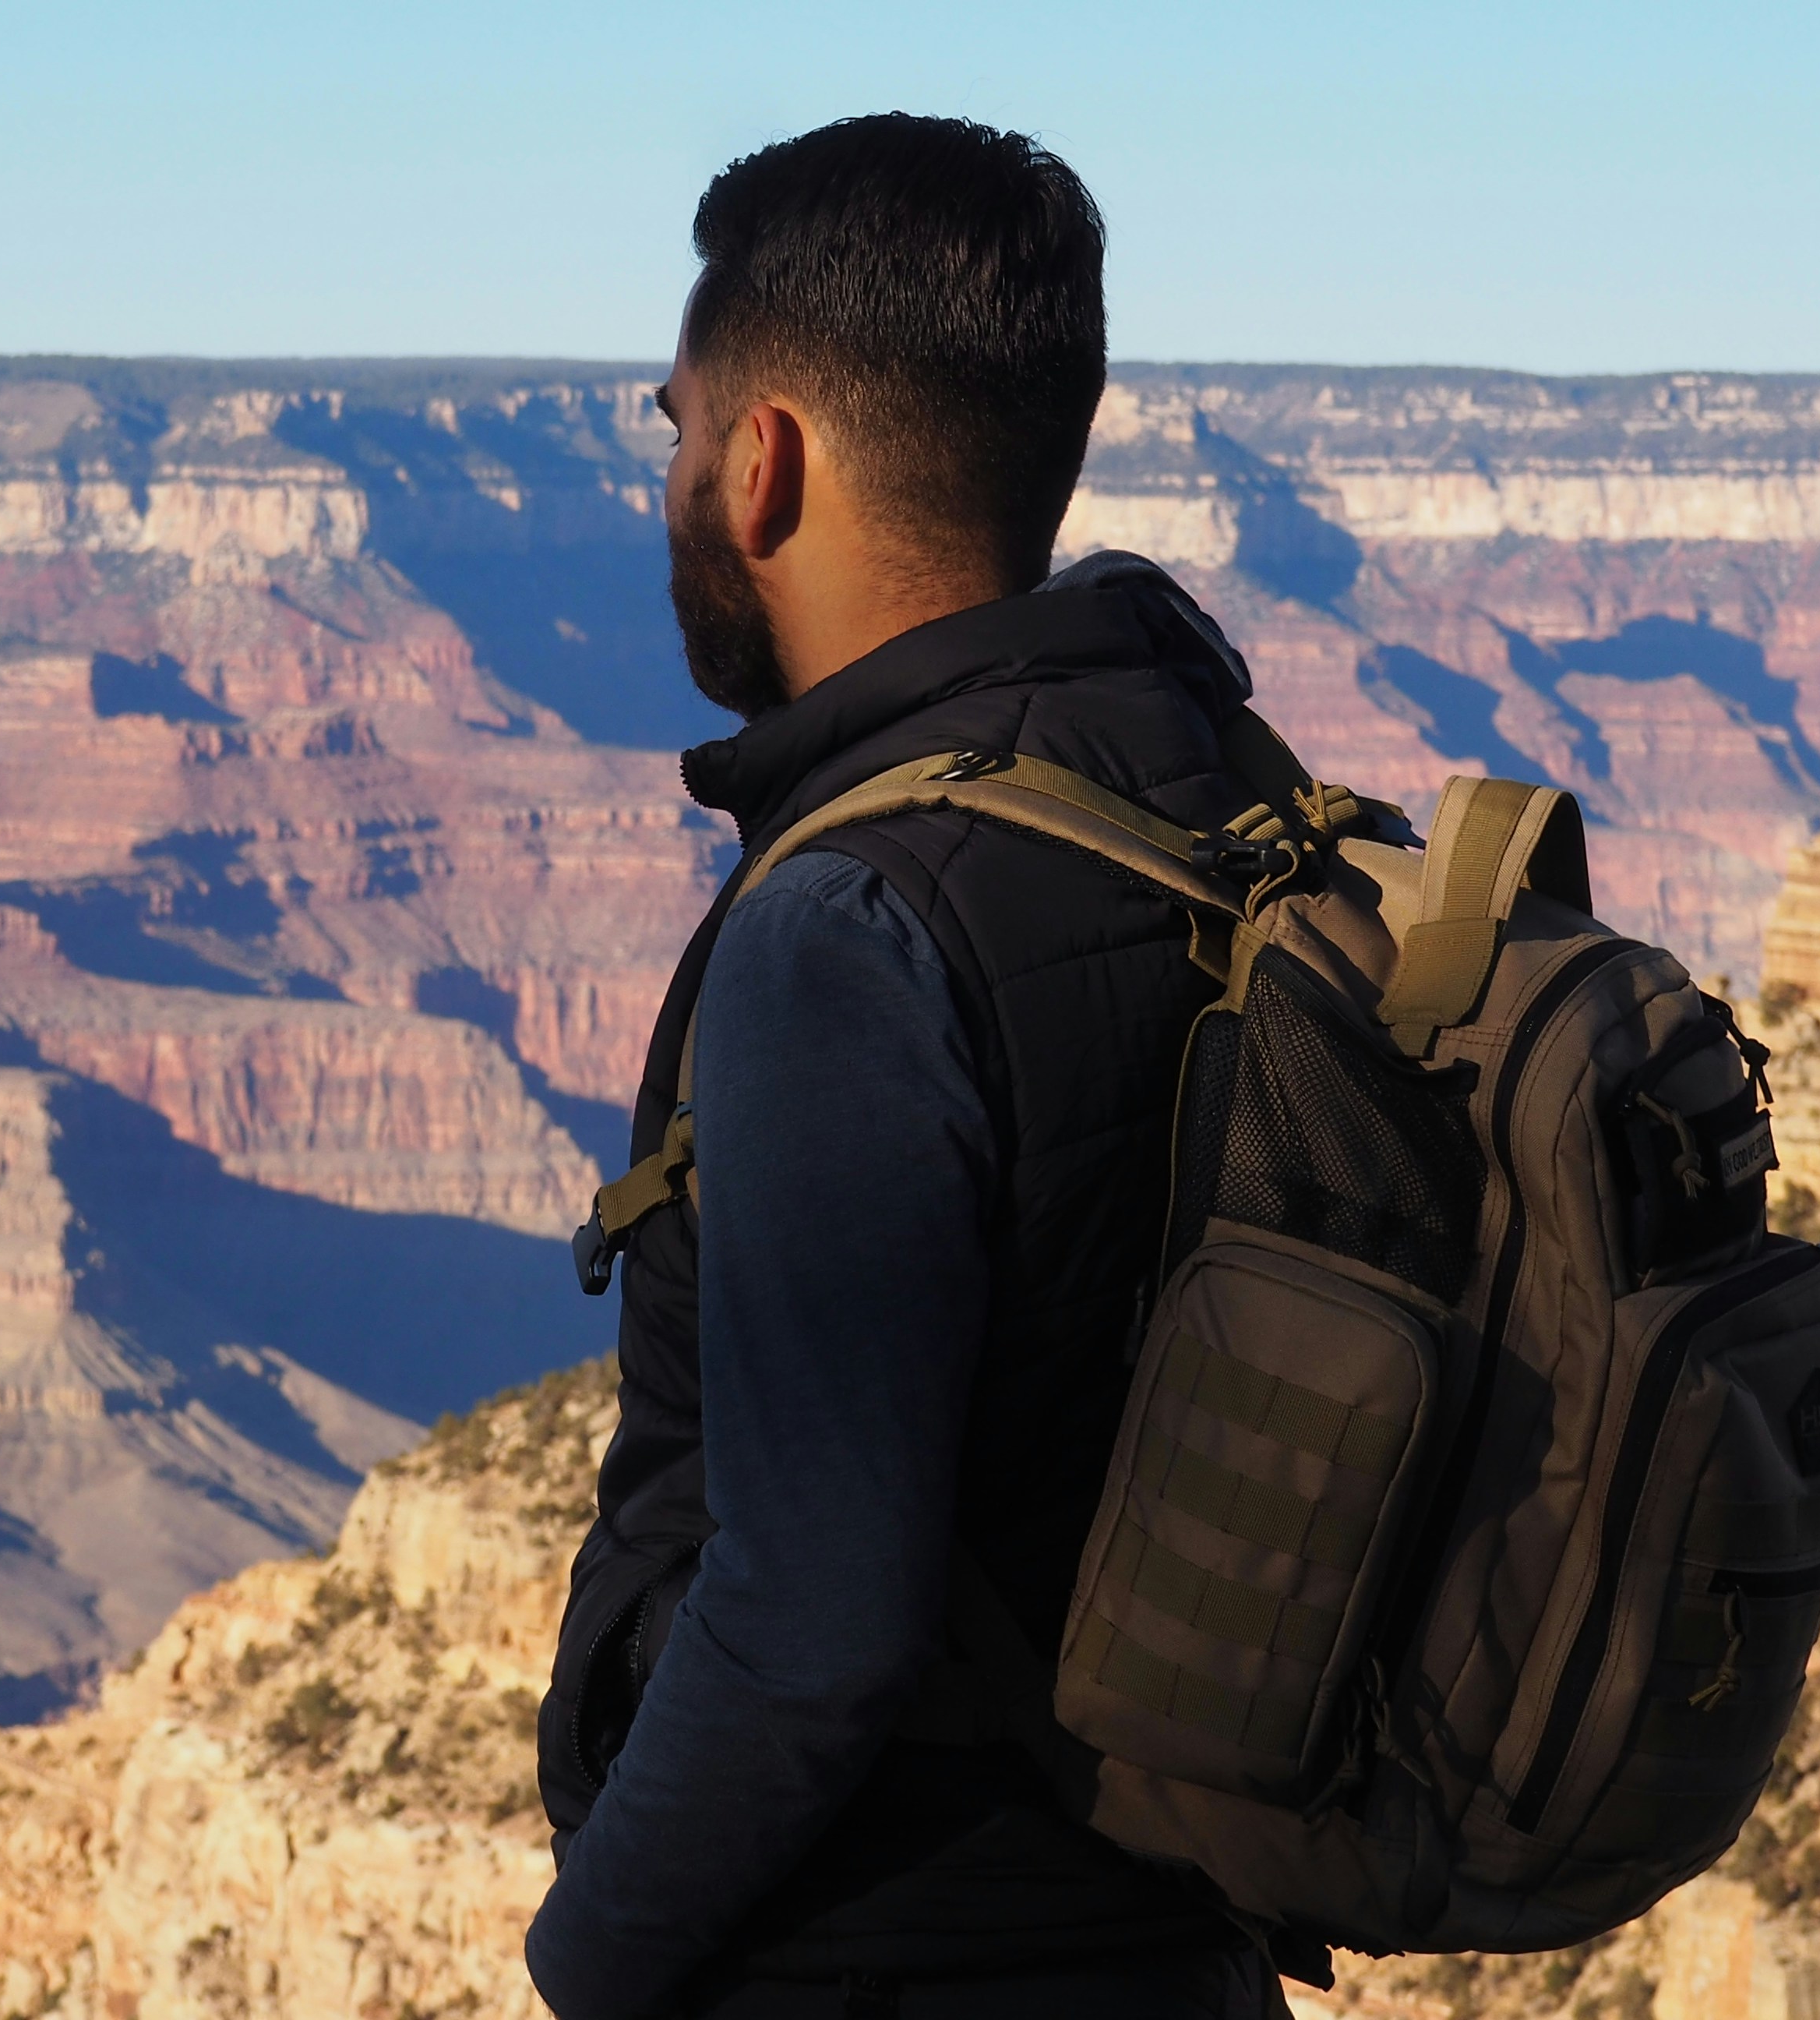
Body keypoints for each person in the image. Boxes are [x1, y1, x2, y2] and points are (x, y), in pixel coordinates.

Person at [527, 116, 1303, 2020]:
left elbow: (812, 1624)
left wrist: (590, 1957)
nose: (674, 480)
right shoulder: (1222, 801)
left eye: (675, 425)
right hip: (1182, 1951)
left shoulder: (852, 929)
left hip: (891, 1957)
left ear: (764, 459)